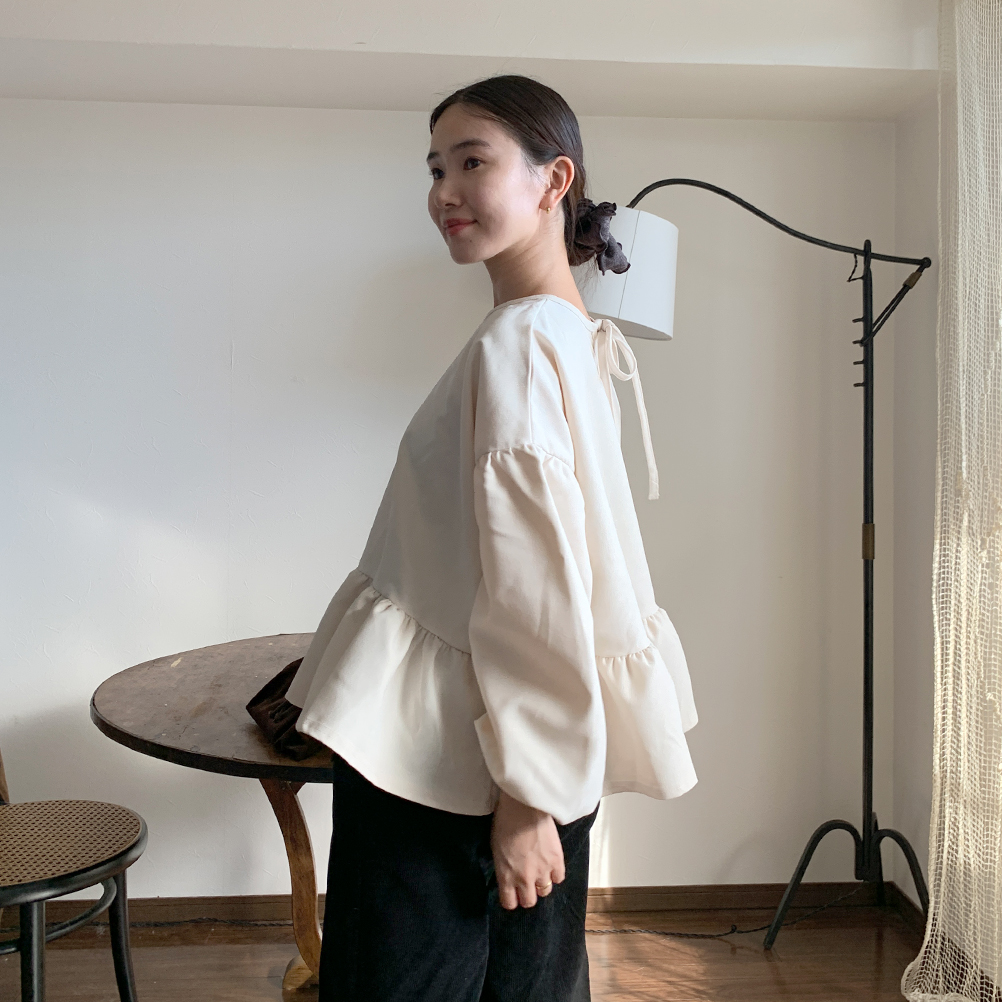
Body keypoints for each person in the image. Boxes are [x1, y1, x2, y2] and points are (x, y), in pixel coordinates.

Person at [285, 73, 698, 1002]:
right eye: (435, 169)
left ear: (556, 180)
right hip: (510, 754)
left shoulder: (518, 343)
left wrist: (525, 796)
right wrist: (538, 784)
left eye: (473, 162)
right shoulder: (571, 334)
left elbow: (535, 583)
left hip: (454, 766)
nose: (444, 191)